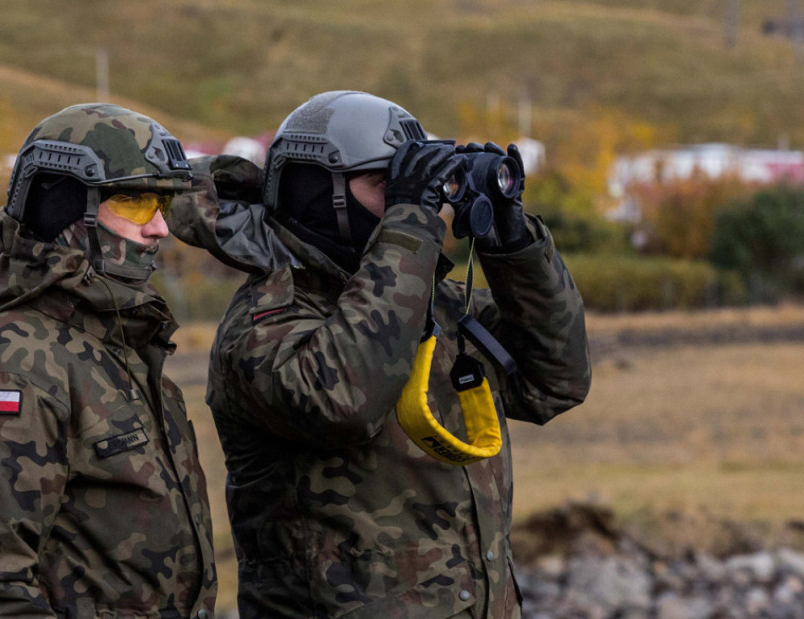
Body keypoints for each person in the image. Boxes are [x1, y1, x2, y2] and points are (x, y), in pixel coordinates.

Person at [198, 90, 592, 617]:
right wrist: (409, 224)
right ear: (319, 194)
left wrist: (512, 242)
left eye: (416, 185)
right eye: (386, 185)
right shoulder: (265, 322)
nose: (415, 202)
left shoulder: (431, 304)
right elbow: (345, 400)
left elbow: (555, 380)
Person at [0, 103, 216, 618]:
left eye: (162, 204)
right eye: (134, 202)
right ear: (61, 208)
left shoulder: (114, 346)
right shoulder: (14, 369)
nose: (159, 229)